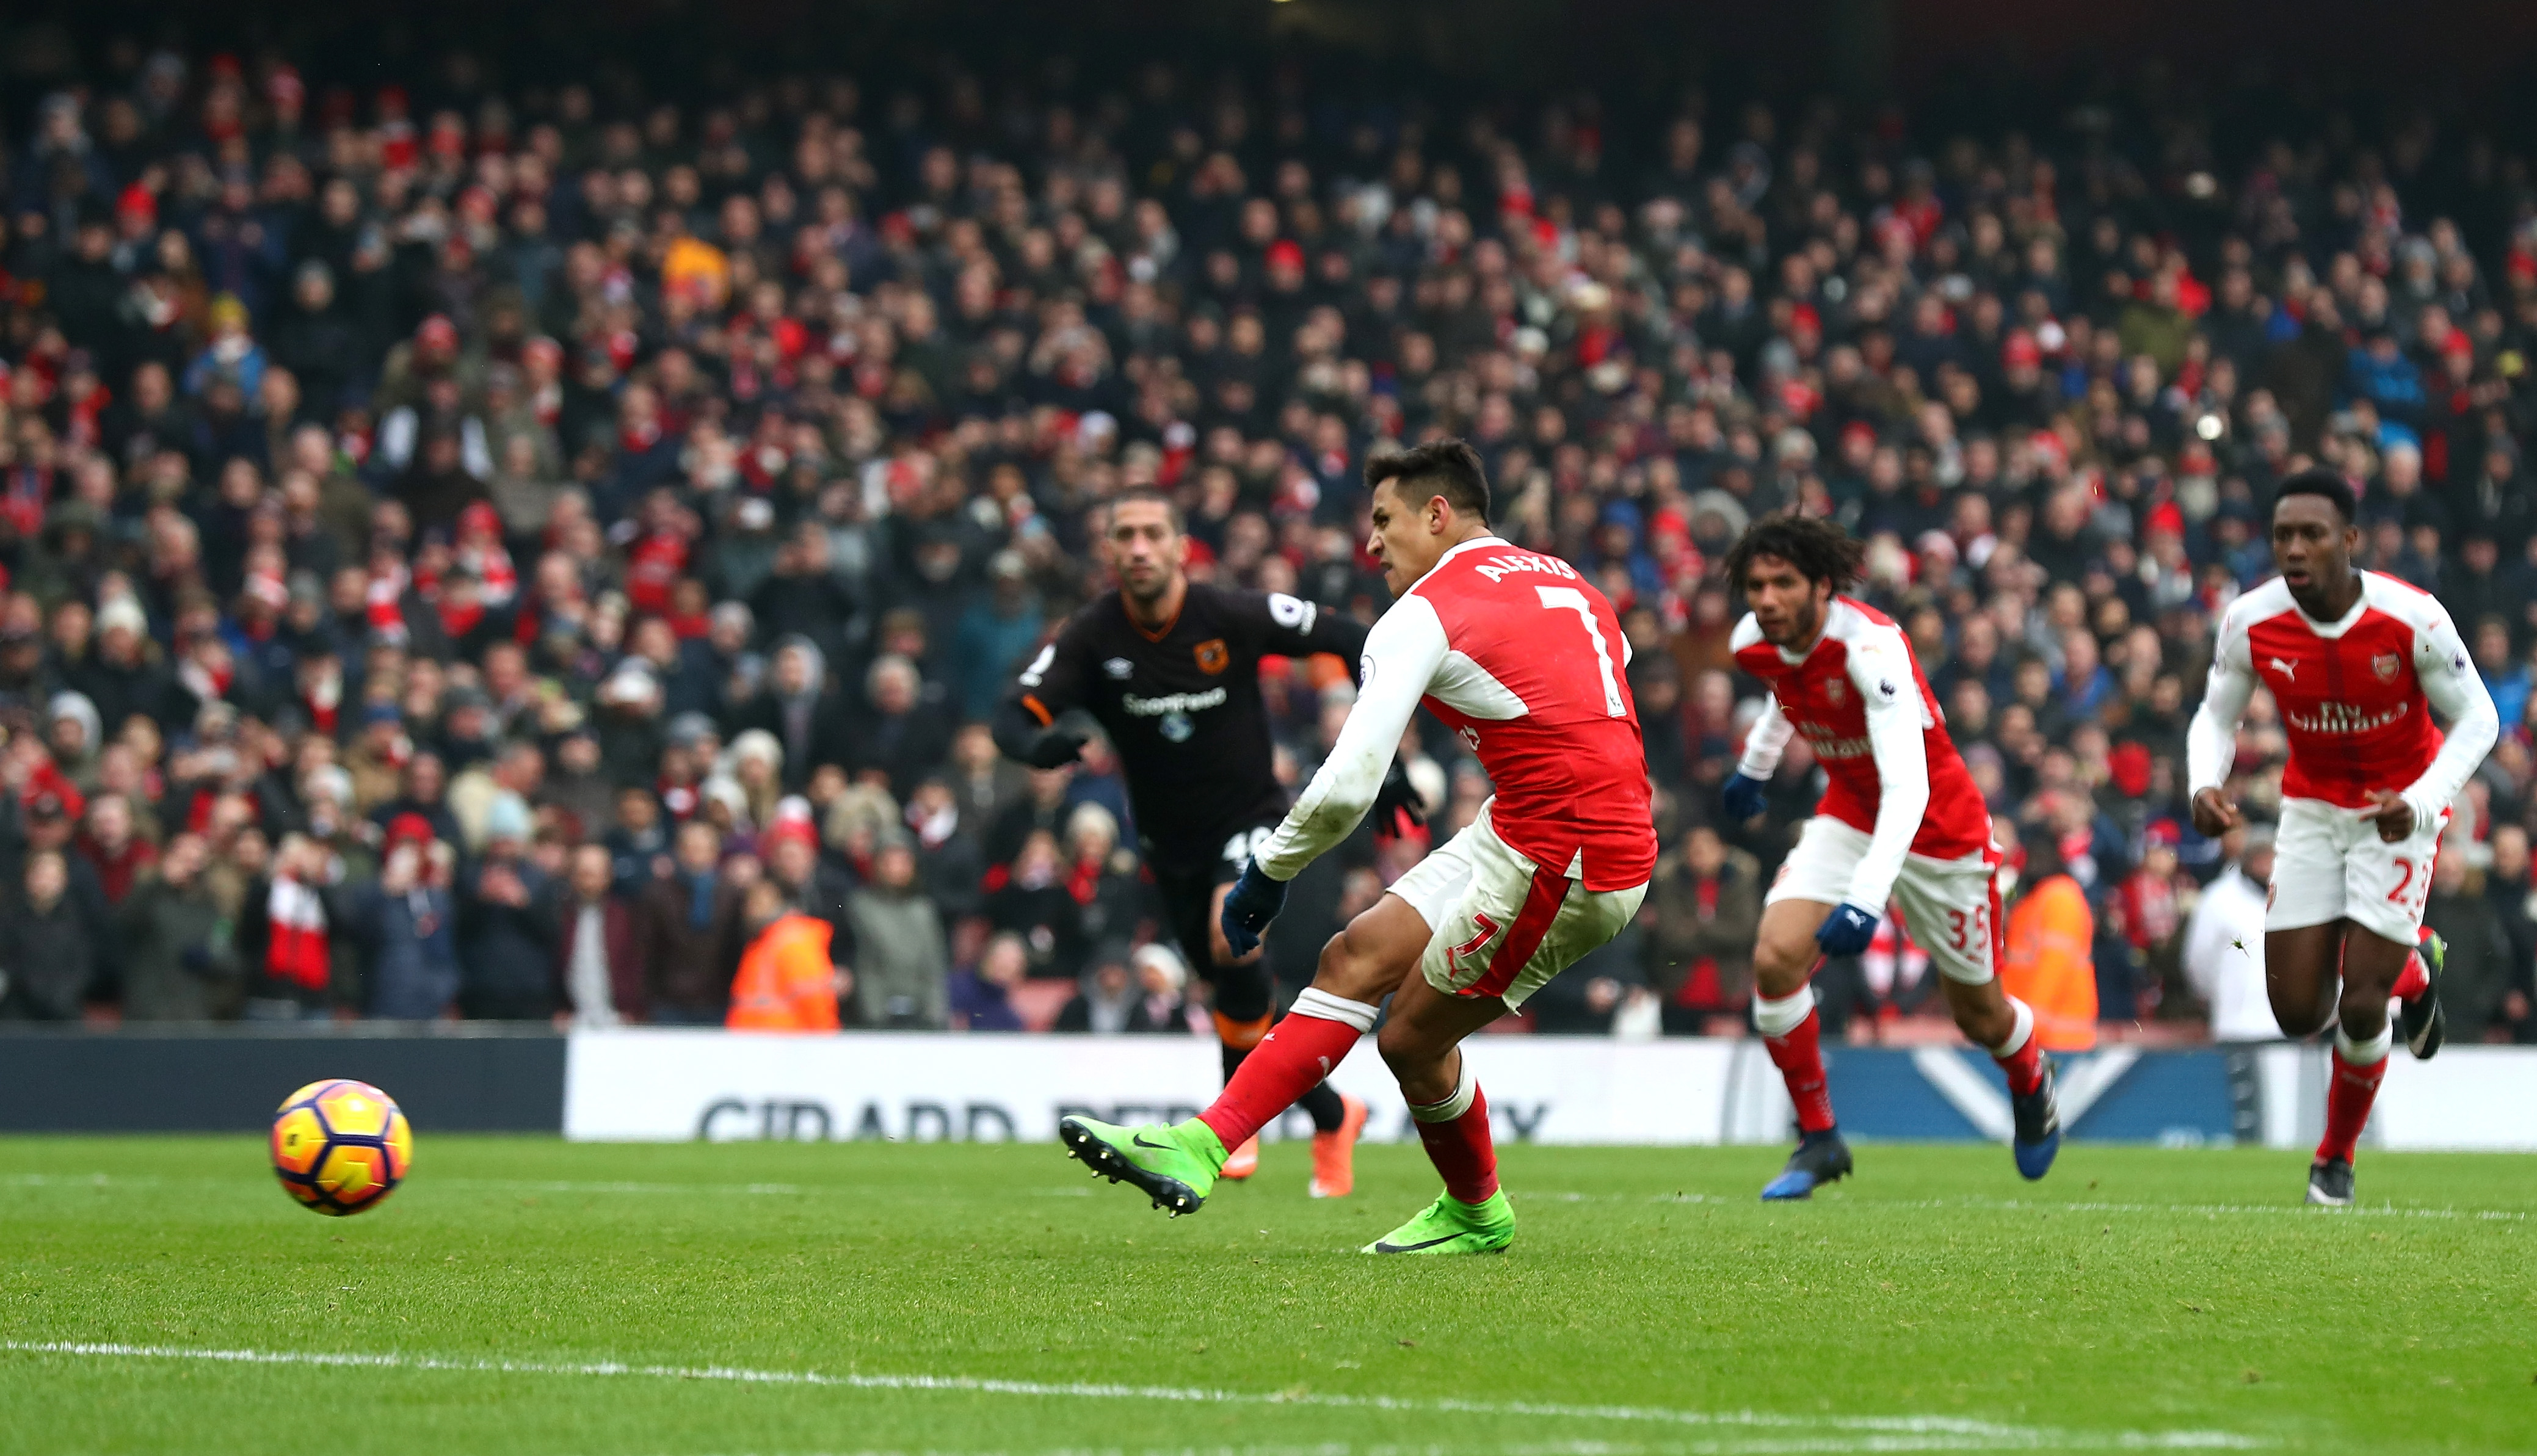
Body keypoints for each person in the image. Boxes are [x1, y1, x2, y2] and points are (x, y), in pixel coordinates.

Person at [1058, 440, 1653, 1251]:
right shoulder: (1566, 579)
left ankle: (1477, 1214)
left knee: (1409, 1036)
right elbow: (1603, 683)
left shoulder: (1423, 611)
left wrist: (1266, 875)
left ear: (1435, 514)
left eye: (1383, 520)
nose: (1369, 544)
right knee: (1353, 955)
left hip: (1566, 859)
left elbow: (1345, 787)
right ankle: (1199, 1145)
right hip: (1531, 823)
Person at [994, 487, 1405, 1194]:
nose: (1140, 547)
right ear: (1109, 550)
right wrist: (1040, 748)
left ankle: (1225, 1129)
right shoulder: (1093, 635)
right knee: (1235, 996)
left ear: (1183, 545)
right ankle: (1335, 1113)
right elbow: (1012, 714)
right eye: (1125, 534)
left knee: (1230, 941)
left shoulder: (1231, 614)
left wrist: (1382, 753)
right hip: (1167, 847)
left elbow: (1352, 636)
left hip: (1250, 816)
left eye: (1154, 532)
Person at [1719, 514, 2061, 1198]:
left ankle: (2030, 1075)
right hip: (1850, 808)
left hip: (1939, 830)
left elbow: (1910, 786)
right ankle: (1819, 1139)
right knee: (1775, 959)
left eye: (1783, 583)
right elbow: (1790, 691)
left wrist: (1865, 900)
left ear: (1822, 585)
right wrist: (1756, 767)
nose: (1767, 599)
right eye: (1756, 584)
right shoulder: (1755, 641)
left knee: (1980, 1016)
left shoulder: (1871, 651)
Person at [2187, 468, 2498, 1206]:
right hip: (2313, 813)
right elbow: (2215, 715)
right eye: (2283, 536)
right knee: (2297, 1012)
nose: (2295, 548)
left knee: (2361, 1006)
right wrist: (2204, 781)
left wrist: (2422, 804)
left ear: (2350, 540)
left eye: (2313, 534)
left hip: (2397, 815)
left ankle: (2335, 1160)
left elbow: (2478, 719)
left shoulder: (2412, 618)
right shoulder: (2252, 621)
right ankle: (2413, 969)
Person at [2182, 824, 2279, 1041]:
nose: (2266, 865)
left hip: (2282, 1029)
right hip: (2234, 1027)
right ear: (2246, 858)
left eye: (2271, 856)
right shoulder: (2218, 899)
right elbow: (2198, 962)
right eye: (2259, 856)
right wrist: (2221, 999)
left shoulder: (2291, 898)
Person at [726, 876, 845, 1032]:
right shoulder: (765, 940)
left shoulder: (793, 941)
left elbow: (813, 997)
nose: (751, 909)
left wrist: (825, 1042)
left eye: (760, 902)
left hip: (785, 1042)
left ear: (780, 903)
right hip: (762, 1040)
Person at [556, 842, 647, 1027]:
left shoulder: (625, 916)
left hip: (618, 1019)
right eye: (583, 874)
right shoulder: (562, 916)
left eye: (594, 874)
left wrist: (635, 1011)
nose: (589, 882)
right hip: (574, 1020)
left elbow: (639, 966)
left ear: (608, 876)